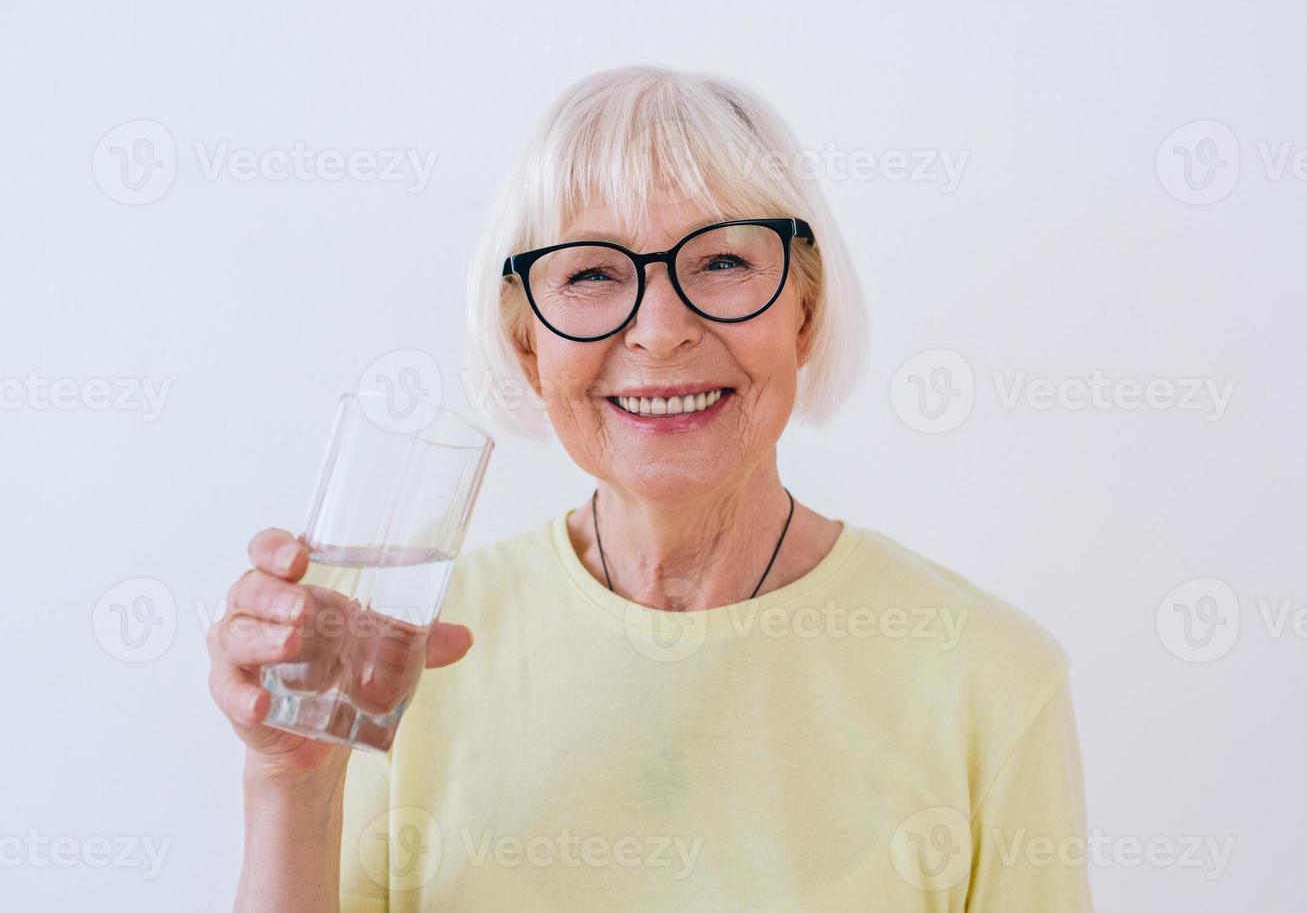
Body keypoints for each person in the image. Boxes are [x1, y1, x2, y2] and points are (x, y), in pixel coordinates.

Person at [208, 65, 1093, 911]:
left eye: (721, 263)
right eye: (591, 274)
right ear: (527, 345)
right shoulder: (392, 656)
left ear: (805, 314)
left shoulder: (987, 676)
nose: (661, 331)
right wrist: (289, 782)